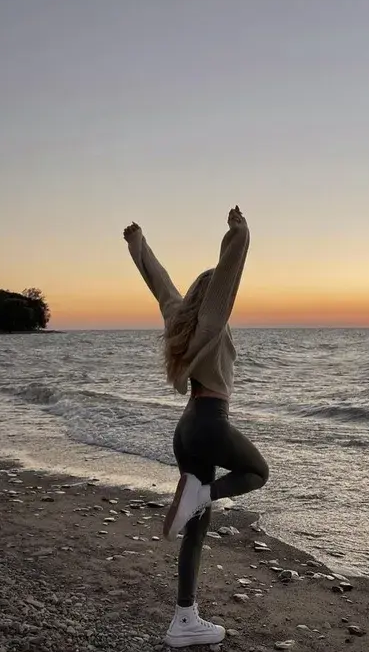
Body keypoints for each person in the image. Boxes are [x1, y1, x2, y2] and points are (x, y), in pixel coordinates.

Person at [123, 206, 269, 647]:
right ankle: (201, 493)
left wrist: (138, 245)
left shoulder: (178, 318)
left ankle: (184, 619)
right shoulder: (212, 320)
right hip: (209, 422)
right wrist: (239, 234)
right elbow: (229, 273)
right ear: (214, 298)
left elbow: (160, 284)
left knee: (197, 526)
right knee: (257, 473)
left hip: (186, 428)